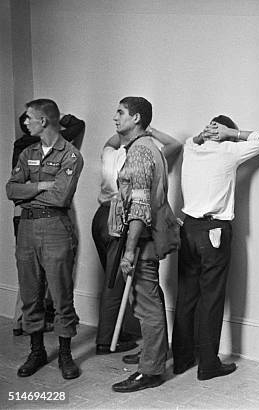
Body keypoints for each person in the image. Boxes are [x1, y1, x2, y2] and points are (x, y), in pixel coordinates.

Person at [171, 115, 259, 379]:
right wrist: (232, 134)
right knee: (212, 299)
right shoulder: (230, 151)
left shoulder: (191, 148)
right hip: (214, 230)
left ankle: (181, 359)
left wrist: (203, 135)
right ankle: (208, 364)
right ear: (226, 132)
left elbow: (190, 140)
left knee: (186, 296)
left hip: (188, 228)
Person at [6, 98, 84, 380]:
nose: (25, 122)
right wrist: (40, 185)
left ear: (45, 121)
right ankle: (36, 350)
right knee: (30, 295)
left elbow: (60, 196)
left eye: (29, 118)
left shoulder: (71, 155)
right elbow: (10, 190)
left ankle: (65, 354)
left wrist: (29, 191)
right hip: (26, 229)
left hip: (54, 227)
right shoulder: (27, 152)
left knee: (61, 296)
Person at [108, 96, 180, 393]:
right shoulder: (151, 148)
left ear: (136, 118)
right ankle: (154, 353)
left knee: (146, 303)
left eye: (120, 112)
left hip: (142, 239)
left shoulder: (139, 152)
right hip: (147, 236)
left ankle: (150, 370)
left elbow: (140, 205)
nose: (115, 117)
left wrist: (128, 250)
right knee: (149, 298)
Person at [93, 126, 181, 356]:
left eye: (121, 113)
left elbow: (111, 141)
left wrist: (131, 132)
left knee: (113, 278)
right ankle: (107, 340)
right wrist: (149, 131)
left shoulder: (111, 152)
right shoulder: (142, 154)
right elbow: (175, 145)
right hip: (121, 219)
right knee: (122, 283)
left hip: (101, 217)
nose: (115, 119)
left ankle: (114, 339)